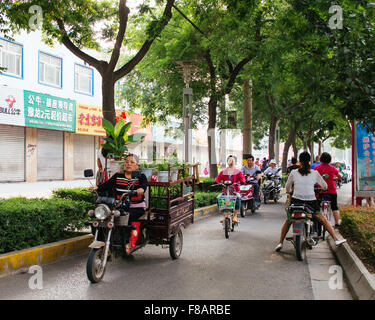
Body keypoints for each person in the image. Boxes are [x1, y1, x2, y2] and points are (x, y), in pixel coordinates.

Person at [275, 151, 346, 251]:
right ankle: (336, 239)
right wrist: (322, 189)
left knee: (288, 220)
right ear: (309, 161)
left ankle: (280, 242)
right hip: (311, 202)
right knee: (323, 220)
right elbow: (325, 186)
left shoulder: (294, 172)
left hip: (296, 202)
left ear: (299, 162)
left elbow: (287, 187)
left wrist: (289, 192)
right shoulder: (314, 173)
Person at [90, 153, 147, 253]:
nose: (128, 164)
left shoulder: (141, 176)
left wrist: (141, 189)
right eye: (127, 162)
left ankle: (127, 242)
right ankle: (102, 244)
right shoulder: (118, 175)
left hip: (135, 206)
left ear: (137, 165)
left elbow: (143, 186)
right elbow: (106, 185)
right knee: (99, 219)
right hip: (119, 205)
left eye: (132, 162)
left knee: (127, 220)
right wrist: (97, 188)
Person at [314, 152, 342, 227]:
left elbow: (313, 178)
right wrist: (334, 179)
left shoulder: (316, 168)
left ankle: (316, 223)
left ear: (321, 159)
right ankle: (336, 223)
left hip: (320, 191)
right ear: (329, 159)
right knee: (334, 207)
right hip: (331, 191)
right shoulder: (332, 168)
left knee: (317, 207)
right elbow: (340, 176)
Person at [215, 155, 246, 224]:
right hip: (225, 191)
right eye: (230, 161)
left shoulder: (238, 172)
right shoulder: (223, 171)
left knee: (238, 198)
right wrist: (216, 181)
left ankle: (234, 216)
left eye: (232, 161)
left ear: (234, 162)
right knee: (218, 198)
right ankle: (224, 216)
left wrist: (242, 181)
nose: (231, 162)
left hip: (235, 191)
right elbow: (218, 178)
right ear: (227, 162)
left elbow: (242, 178)